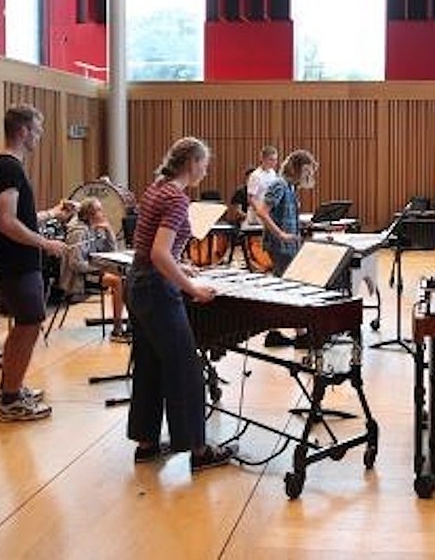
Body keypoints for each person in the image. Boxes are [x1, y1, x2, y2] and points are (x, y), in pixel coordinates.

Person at [126, 136, 234, 472]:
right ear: (191, 163)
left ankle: (146, 443)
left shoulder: (157, 187)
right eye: (204, 163)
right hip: (157, 289)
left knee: (149, 363)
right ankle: (199, 450)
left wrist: (178, 261)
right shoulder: (175, 197)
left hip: (137, 283)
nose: (206, 169)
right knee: (186, 368)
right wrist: (193, 288)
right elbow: (159, 252)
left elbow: (151, 246)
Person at [0, 104, 76, 422]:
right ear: (23, 131)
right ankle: (10, 399)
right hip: (16, 264)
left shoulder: (5, 167)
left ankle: (10, 387)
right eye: (37, 130)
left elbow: (18, 216)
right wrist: (46, 243)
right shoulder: (9, 168)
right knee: (29, 323)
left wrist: (51, 214)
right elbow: (5, 221)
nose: (39, 136)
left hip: (15, 262)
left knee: (26, 324)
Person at [257, 149, 317, 348]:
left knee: (281, 287)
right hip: (280, 245)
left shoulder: (291, 187)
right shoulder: (280, 185)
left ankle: (273, 334)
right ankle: (301, 335)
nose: (309, 176)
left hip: (289, 243)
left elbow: (285, 214)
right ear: (298, 168)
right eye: (307, 171)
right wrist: (281, 234)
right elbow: (262, 212)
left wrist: (302, 227)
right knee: (293, 287)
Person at [59, 197, 128, 341]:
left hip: (92, 271)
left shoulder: (94, 228)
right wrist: (99, 268)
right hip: (78, 278)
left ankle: (130, 324)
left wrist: (108, 230)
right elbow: (76, 264)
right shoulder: (78, 232)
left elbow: (111, 253)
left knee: (128, 276)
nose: (102, 213)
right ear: (88, 215)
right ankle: (117, 329)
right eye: (98, 210)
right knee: (118, 281)